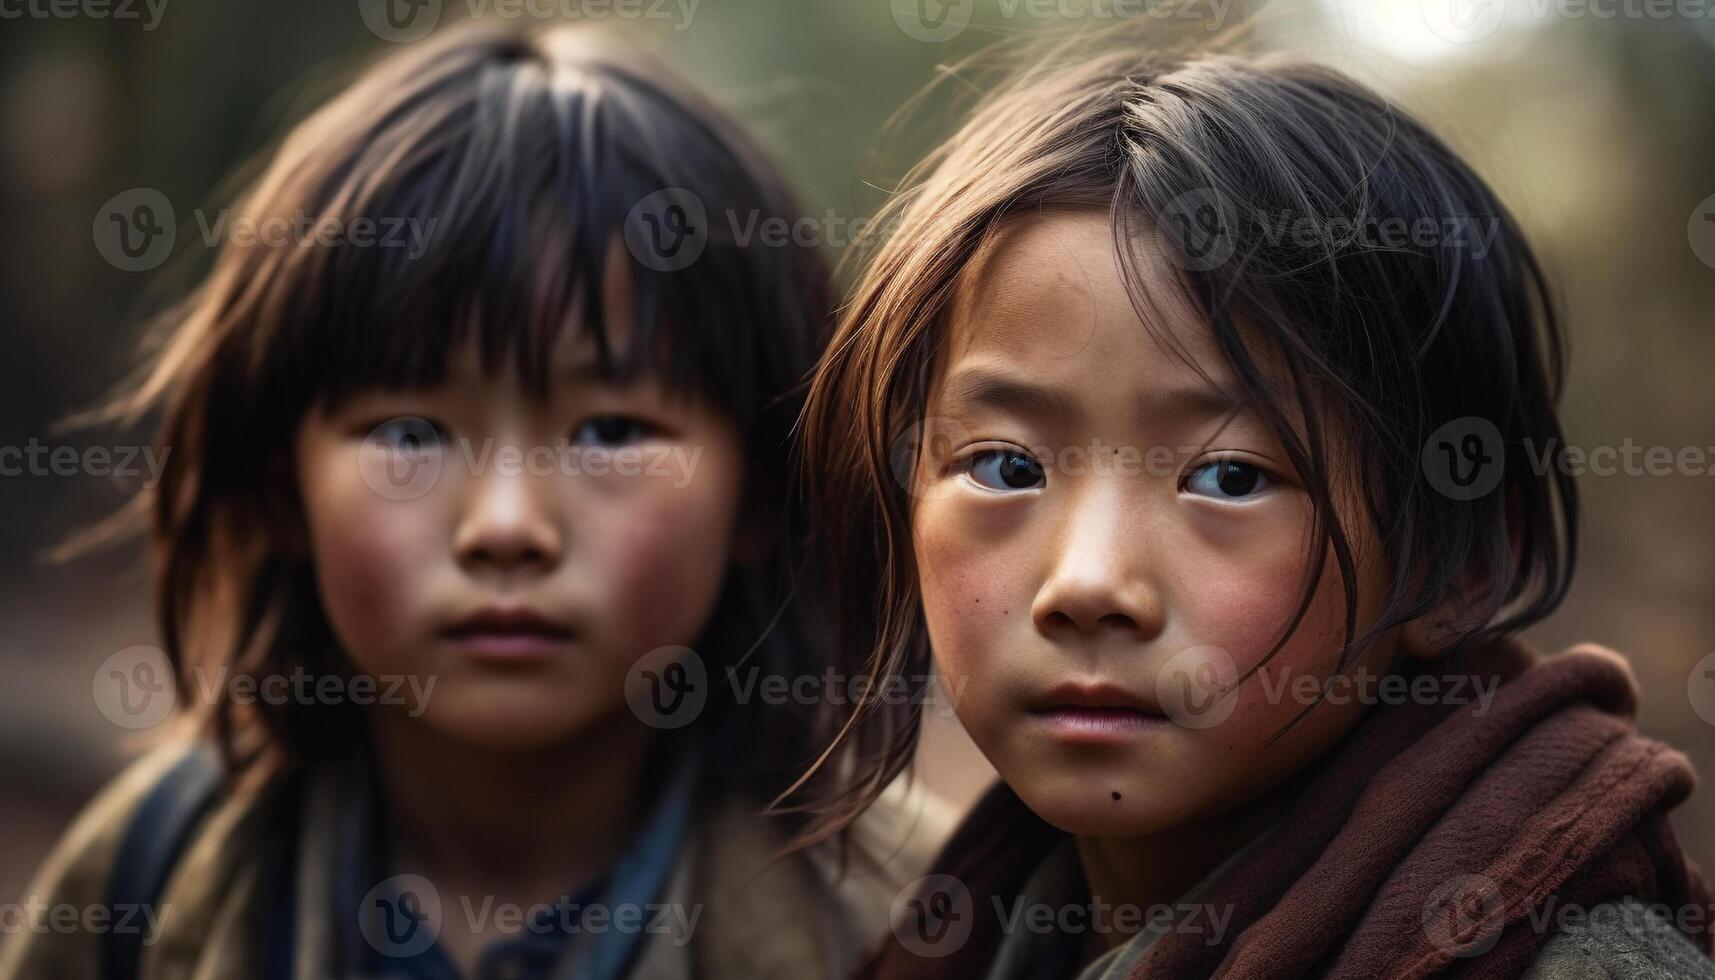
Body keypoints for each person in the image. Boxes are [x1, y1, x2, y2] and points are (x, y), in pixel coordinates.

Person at [2, 22, 940, 980]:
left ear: (757, 495)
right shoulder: (143, 883)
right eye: (410, 436)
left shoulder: (912, 921)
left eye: (611, 433)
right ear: (284, 488)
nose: (505, 528)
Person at [797, 31, 1714, 980]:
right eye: (1003, 466)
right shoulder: (964, 930)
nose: (1087, 582)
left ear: (1460, 565)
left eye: (1228, 477)